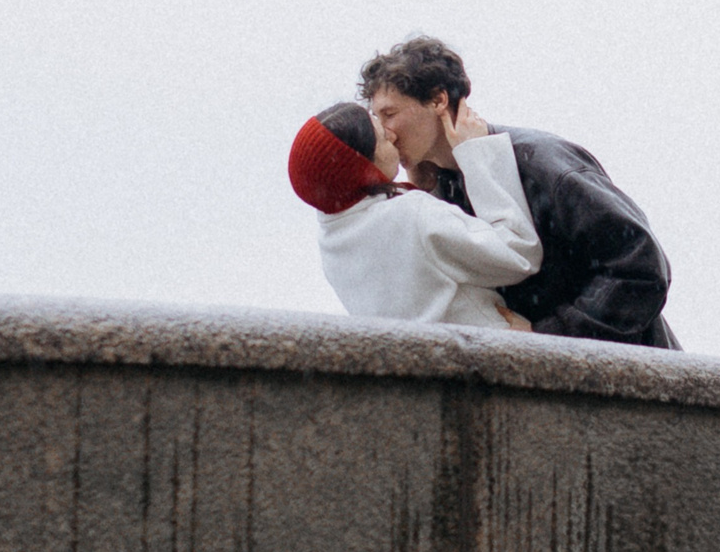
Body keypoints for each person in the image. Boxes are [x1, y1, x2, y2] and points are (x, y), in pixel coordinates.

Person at [360, 37, 679, 348]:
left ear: (438, 100)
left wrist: (551, 335)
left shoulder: (540, 163)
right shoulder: (443, 185)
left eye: (389, 114)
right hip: (555, 385)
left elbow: (641, 265)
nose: (384, 131)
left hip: (635, 387)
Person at [288, 101, 542, 331]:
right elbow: (519, 253)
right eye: (382, 137)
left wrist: (427, 188)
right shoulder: (411, 215)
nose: (392, 134)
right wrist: (478, 154)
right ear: (364, 169)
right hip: (490, 358)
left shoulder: (333, 240)